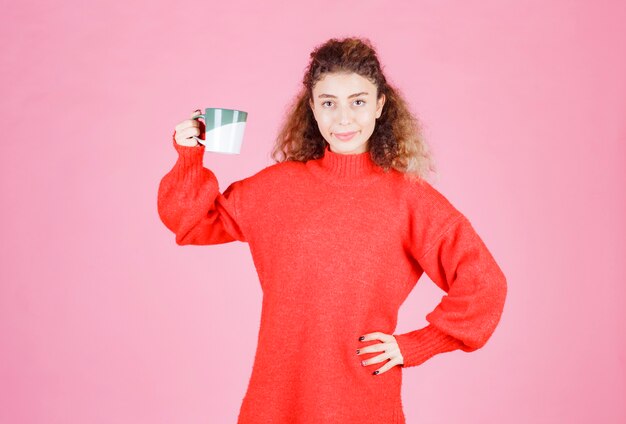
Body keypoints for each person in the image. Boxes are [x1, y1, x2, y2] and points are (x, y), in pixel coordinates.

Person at [157, 36, 507, 424]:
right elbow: (191, 221)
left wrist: (418, 344)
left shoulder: (409, 200)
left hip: (362, 400)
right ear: (312, 109)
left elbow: (484, 284)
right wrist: (189, 158)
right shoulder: (275, 188)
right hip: (276, 398)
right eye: (329, 103)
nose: (343, 119)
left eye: (357, 101)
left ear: (379, 105)